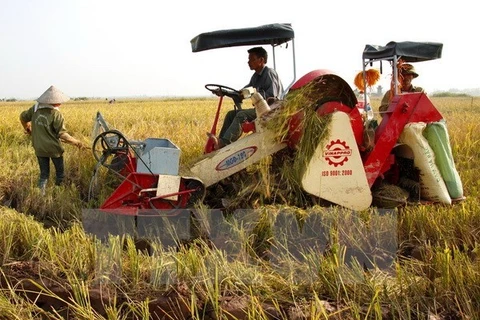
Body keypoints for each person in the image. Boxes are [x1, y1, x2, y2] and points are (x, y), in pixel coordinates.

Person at [208, 46, 284, 150]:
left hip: (271, 111)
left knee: (241, 115)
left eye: (252, 59)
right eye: (249, 59)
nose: (248, 62)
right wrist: (224, 92)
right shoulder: (255, 77)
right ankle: (220, 143)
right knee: (231, 114)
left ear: (261, 60)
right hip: (260, 110)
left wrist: (255, 94)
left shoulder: (269, 73)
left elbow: (272, 96)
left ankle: (223, 143)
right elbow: (242, 93)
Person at [20, 85, 86, 194]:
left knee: (44, 175)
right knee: (60, 174)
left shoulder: (35, 109)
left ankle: (41, 195)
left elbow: (22, 118)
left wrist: (28, 129)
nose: (60, 102)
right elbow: (62, 135)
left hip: (39, 147)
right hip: (54, 149)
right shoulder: (56, 114)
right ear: (53, 101)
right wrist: (78, 143)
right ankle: (57, 194)